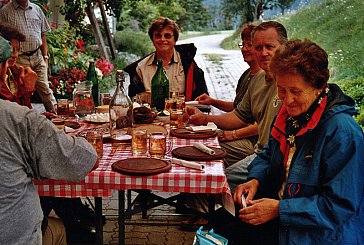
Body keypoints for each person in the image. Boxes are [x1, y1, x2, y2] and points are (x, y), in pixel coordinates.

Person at [218, 39, 364, 244]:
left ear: (319, 87)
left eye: (295, 91)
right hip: (284, 220)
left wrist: (279, 209)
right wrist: (255, 179)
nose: (287, 101)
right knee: (216, 227)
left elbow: (339, 207)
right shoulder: (291, 115)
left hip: (317, 235)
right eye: (282, 90)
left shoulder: (343, 133)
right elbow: (269, 152)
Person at [0, 35, 98, 245]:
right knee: (71, 232)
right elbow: (84, 159)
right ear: (2, 70)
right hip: (16, 238)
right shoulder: (18, 119)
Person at [186, 21, 287, 193]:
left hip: (275, 158)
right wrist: (205, 118)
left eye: (270, 46)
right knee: (199, 158)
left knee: (216, 181)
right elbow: (238, 116)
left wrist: (233, 135)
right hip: (262, 154)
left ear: (285, 46)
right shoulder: (257, 79)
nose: (263, 53)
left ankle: (213, 214)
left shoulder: (290, 81)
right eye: (258, 47)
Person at [195, 24, 261, 167]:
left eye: (249, 45)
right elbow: (240, 109)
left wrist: (234, 134)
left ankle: (213, 185)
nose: (244, 49)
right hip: (239, 133)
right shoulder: (247, 75)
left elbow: (260, 125)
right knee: (197, 139)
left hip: (253, 141)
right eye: (242, 44)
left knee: (207, 150)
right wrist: (212, 101)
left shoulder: (266, 79)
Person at [124, 17, 208, 101]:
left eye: (167, 36)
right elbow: (134, 101)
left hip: (182, 113)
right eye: (158, 36)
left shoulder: (188, 64)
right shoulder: (141, 67)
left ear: (175, 40)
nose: (162, 39)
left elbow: (202, 99)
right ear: (152, 40)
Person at [0, 0, 57, 112]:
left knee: (45, 88)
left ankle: (56, 116)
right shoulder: (5, 11)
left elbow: (43, 34)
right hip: (19, 58)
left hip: (37, 55)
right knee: (14, 88)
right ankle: (22, 118)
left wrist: (45, 57)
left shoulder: (37, 9)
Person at [0, 23, 37, 108]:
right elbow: (10, 110)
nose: (15, 55)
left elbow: (24, 109)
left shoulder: (14, 72)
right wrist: (28, 89)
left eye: (17, 50)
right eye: (12, 50)